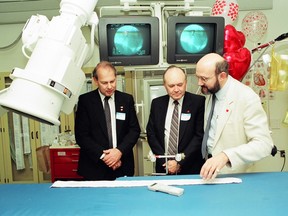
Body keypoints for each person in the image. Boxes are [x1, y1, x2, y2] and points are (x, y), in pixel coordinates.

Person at [196, 53, 274, 180]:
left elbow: (264, 144)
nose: (199, 83)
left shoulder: (247, 97)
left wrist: (225, 155)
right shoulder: (211, 93)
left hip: (233, 174)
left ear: (222, 76)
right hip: (208, 170)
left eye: (204, 79)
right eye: (198, 77)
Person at [75, 61, 140, 180]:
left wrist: (119, 152)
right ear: (95, 81)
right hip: (94, 167)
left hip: (122, 165)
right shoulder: (86, 101)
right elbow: (81, 136)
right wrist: (105, 156)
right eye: (104, 83)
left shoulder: (126, 100)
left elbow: (134, 130)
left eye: (112, 81)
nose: (110, 86)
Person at [146, 65, 205, 175]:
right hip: (164, 167)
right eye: (171, 86)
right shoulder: (157, 104)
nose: (176, 89)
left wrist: (179, 162)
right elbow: (151, 134)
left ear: (185, 82)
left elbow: (199, 136)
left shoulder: (198, 102)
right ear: (165, 86)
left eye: (180, 85)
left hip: (190, 167)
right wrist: (165, 161)